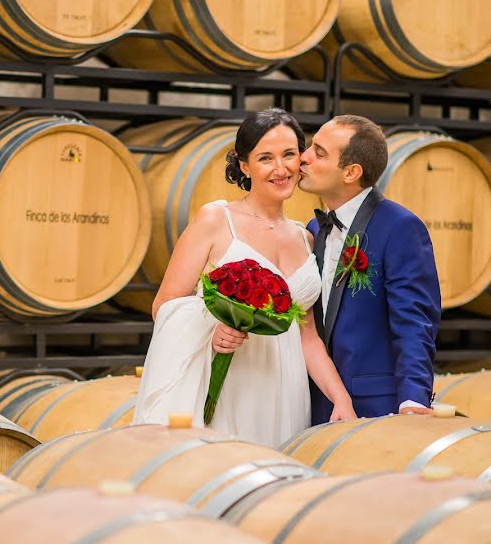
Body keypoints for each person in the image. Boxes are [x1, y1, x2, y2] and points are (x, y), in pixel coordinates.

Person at [133, 108, 356, 448]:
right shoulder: (215, 219)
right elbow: (164, 304)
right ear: (244, 164)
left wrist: (340, 397)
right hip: (230, 380)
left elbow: (307, 337)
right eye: (265, 158)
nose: (280, 169)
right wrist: (212, 331)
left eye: (289, 155)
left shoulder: (305, 238)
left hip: (283, 387)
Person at [297, 115, 441, 424]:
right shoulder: (314, 228)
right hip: (314, 402)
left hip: (376, 409)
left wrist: (413, 398)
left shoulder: (400, 227)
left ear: (351, 172)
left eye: (319, 153)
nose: (303, 157)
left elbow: (414, 322)